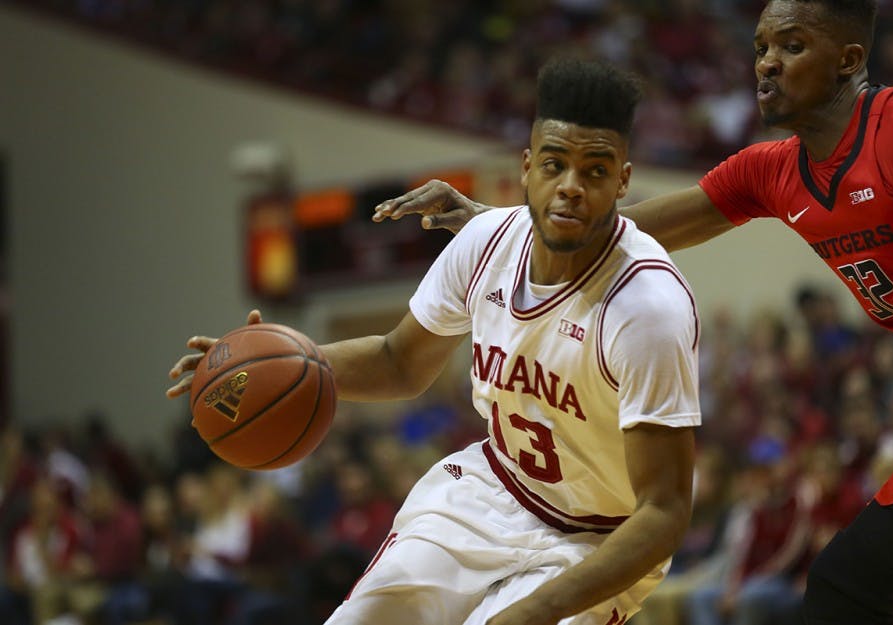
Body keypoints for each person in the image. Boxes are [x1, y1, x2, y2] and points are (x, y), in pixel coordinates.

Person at [369, 1, 893, 622]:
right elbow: (614, 231)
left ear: (850, 59)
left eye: (791, 46)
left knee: (850, 590)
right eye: (760, 49)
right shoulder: (774, 172)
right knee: (853, 588)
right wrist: (494, 222)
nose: (767, 64)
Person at [167, 57, 701, 625]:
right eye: (554, 164)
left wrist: (532, 610)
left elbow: (663, 513)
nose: (571, 187)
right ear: (527, 167)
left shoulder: (649, 309)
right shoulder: (484, 243)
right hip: (490, 493)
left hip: (597, 540)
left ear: (622, 179)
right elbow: (399, 362)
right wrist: (275, 368)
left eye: (595, 171)